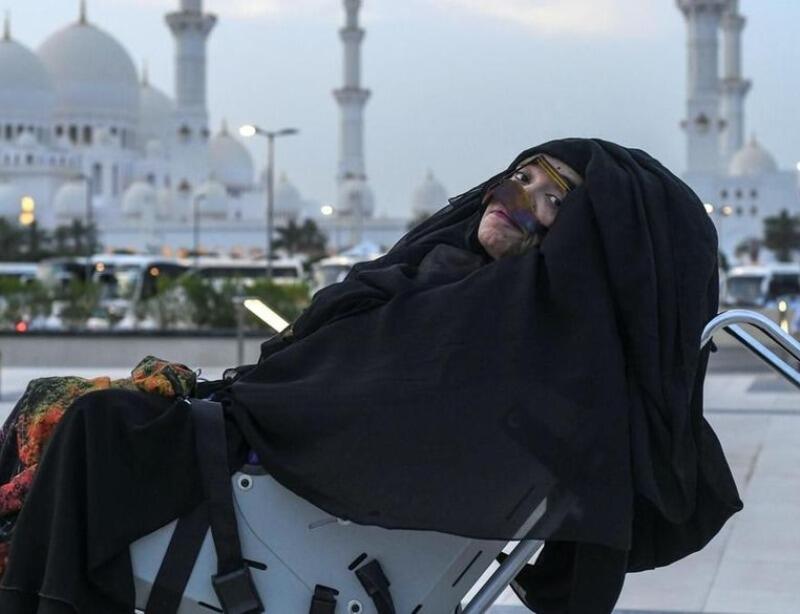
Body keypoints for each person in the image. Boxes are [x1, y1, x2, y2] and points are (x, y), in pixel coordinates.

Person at [0, 138, 742, 614]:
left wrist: (242, 407)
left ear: (578, 241)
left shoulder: (496, 325)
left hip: (270, 477)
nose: (517, 200)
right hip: (257, 439)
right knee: (52, 405)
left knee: (88, 425)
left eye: (552, 200)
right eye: (519, 177)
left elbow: (367, 404)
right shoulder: (445, 272)